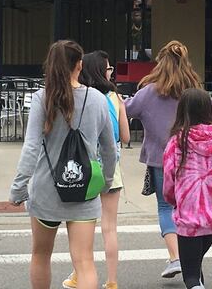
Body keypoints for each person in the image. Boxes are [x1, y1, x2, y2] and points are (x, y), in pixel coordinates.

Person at [124, 40, 212, 279]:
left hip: (160, 160)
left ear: (160, 63)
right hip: (192, 161)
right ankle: (190, 263)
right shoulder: (194, 93)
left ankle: (176, 258)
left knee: (165, 207)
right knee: (189, 211)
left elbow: (123, 109)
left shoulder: (148, 93)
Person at [9, 40, 117, 289]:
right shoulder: (98, 100)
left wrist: (19, 187)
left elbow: (31, 147)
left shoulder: (42, 98)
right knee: (85, 261)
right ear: (80, 65)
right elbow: (109, 149)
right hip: (85, 190)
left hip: (47, 191)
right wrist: (106, 182)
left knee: (40, 255)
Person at [63, 51, 130, 289]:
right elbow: (125, 136)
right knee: (109, 227)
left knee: (82, 223)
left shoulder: (81, 97)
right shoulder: (115, 98)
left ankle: (78, 275)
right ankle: (111, 281)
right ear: (103, 71)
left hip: (85, 166)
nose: (111, 72)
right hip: (111, 166)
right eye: (109, 68)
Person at [163, 88, 212, 289]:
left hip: (189, 216)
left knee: (191, 276)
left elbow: (169, 181)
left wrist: (173, 200)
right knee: (196, 263)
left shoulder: (177, 142)